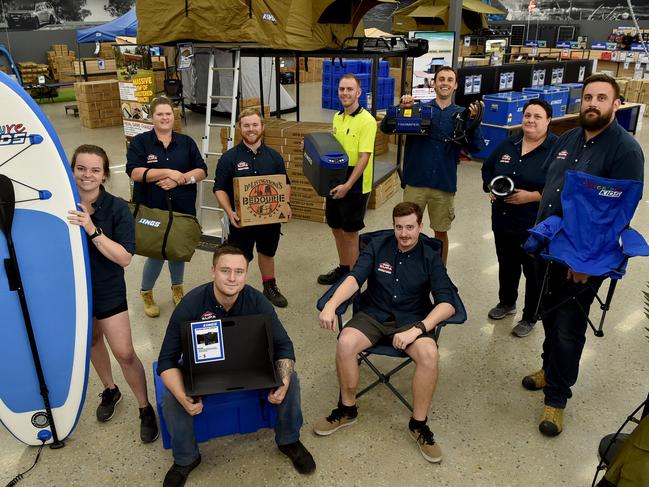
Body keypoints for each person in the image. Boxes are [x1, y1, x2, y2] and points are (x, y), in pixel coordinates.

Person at [522, 73, 644, 437]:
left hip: (583, 259)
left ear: (615, 104)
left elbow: (619, 213)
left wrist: (587, 263)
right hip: (548, 248)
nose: (592, 103)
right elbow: (551, 187)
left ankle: (557, 399)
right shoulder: (570, 138)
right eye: (588, 96)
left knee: (568, 330)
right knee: (546, 315)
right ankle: (549, 370)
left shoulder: (625, 150)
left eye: (601, 98)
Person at [157, 245, 315, 487]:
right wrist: (182, 396)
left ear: (246, 273)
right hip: (203, 370)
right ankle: (186, 458)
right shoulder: (191, 305)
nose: (232, 278)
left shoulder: (257, 301)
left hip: (249, 365)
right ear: (212, 271)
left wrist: (282, 382)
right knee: (172, 396)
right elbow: (167, 360)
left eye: (239, 271)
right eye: (225, 270)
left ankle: (288, 440)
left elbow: (284, 346)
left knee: (291, 379)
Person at [315, 202, 456, 463]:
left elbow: (447, 303)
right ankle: (347, 409)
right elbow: (355, 278)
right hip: (374, 314)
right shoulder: (377, 247)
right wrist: (332, 305)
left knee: (429, 354)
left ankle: (418, 425)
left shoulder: (430, 256)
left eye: (410, 227)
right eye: (399, 227)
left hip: (411, 320)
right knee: (345, 342)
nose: (404, 234)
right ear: (393, 226)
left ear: (420, 227)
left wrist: (419, 329)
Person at [67, 144, 158, 443]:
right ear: (72, 169)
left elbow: (124, 258)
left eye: (94, 170)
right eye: (81, 168)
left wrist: (91, 229)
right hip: (76, 292)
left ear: (105, 174)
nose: (86, 175)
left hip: (107, 290)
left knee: (125, 352)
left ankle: (145, 407)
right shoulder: (62, 203)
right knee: (93, 340)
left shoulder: (118, 208)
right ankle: (110, 389)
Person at [383, 66, 484, 265]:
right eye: (441, 79)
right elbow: (386, 127)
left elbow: (477, 148)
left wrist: (474, 122)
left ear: (455, 85)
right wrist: (402, 108)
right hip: (415, 183)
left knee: (440, 232)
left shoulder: (463, 115)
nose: (444, 83)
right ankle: (405, 268)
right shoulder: (418, 109)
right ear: (433, 83)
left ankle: (439, 273)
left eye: (449, 80)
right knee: (406, 229)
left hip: (443, 185)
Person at [481, 98, 557, 337]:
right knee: (507, 264)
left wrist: (534, 196)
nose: (531, 120)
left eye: (537, 117)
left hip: (535, 225)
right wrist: (490, 188)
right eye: (527, 115)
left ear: (548, 121)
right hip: (503, 220)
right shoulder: (509, 143)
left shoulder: (557, 150)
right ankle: (507, 302)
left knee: (534, 272)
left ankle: (531, 316)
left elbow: (563, 186)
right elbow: (488, 169)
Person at [126, 96, 208, 318]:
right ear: (152, 117)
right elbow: (134, 172)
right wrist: (167, 172)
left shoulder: (186, 143)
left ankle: (177, 289)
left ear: (174, 116)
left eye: (168, 114)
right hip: (153, 209)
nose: (164, 118)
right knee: (156, 253)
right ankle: (146, 292)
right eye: (160, 114)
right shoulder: (140, 143)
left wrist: (179, 179)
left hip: (181, 208)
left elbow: (201, 170)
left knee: (177, 251)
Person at [214, 107, 291, 308]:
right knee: (239, 258)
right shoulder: (229, 158)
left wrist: (286, 204)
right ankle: (237, 291)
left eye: (255, 125)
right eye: (246, 125)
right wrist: (229, 212)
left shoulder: (274, 157)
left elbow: (285, 184)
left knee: (267, 253)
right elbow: (219, 189)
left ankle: (269, 286)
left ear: (262, 127)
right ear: (240, 128)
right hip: (241, 222)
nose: (251, 129)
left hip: (269, 219)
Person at [317, 73, 377, 285]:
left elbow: (364, 158)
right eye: (342, 89)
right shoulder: (337, 117)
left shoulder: (367, 121)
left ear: (358, 92)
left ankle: (354, 282)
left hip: (356, 183)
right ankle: (344, 269)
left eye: (350, 89)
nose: (345, 93)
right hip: (336, 179)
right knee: (336, 227)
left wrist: (348, 185)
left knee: (351, 234)